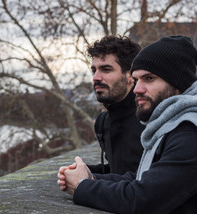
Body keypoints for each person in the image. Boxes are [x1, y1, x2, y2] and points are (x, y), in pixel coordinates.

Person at [57, 35, 197, 214]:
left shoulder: (192, 134)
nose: (137, 89)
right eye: (137, 80)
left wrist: (84, 187)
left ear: (177, 83)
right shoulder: (168, 127)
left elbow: (143, 200)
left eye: (149, 79)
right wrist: (91, 177)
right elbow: (141, 177)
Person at [60, 35, 144, 180]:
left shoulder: (150, 118)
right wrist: (82, 171)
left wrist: (90, 180)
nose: (96, 77)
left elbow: (147, 181)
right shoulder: (103, 122)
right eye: (94, 70)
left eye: (106, 70)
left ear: (130, 75)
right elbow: (119, 170)